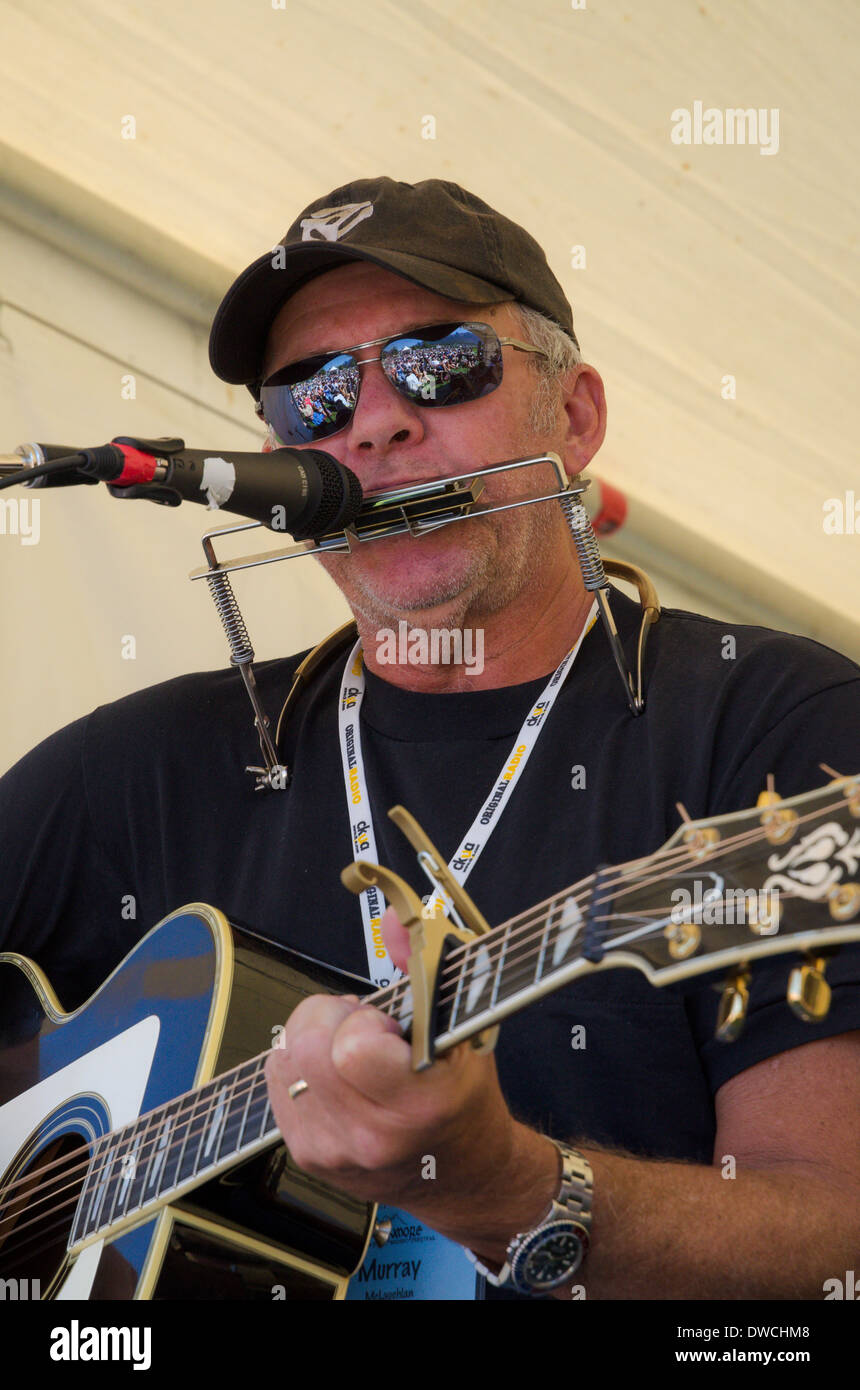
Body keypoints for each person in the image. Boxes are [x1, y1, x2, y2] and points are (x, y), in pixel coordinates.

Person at [1, 177, 859, 1300]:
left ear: (574, 415)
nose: (374, 419)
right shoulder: (135, 771)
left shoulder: (771, 722)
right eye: (311, 393)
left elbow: (832, 1238)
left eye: (437, 361)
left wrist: (508, 1191)